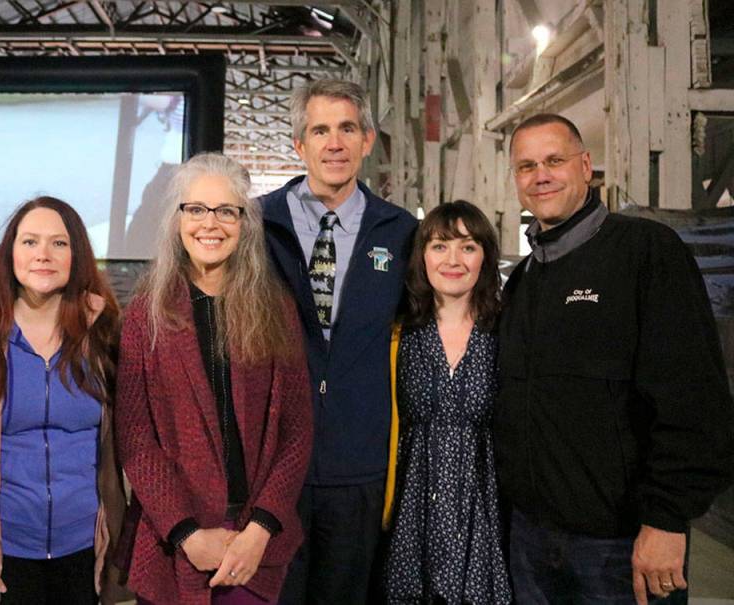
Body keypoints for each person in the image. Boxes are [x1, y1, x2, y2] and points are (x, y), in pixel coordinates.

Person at [495, 113, 734, 604]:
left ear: (586, 166)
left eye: (554, 160)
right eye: (526, 166)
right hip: (532, 543)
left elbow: (694, 398)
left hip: (620, 545)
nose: (541, 176)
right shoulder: (522, 281)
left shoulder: (646, 252)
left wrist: (667, 519)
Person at [115, 153, 313, 604]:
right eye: (197, 209)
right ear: (177, 219)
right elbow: (135, 437)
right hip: (174, 542)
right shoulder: (146, 314)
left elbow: (297, 430)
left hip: (255, 542)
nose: (211, 223)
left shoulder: (275, 309)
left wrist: (260, 528)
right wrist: (186, 533)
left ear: (244, 224)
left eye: (226, 211)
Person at [258, 78, 417, 604]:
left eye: (347, 129)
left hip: (359, 467)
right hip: (273, 467)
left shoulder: (399, 232)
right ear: (299, 145)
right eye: (320, 130)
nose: (334, 143)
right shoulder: (256, 225)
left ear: (367, 140)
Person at [0, 197, 126, 605]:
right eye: (30, 241)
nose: (43, 255)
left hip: (86, 551)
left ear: (77, 256)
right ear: (9, 254)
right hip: (1, 553)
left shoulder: (104, 333)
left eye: (59, 243)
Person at [381, 201, 510, 604]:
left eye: (467, 247)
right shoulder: (398, 332)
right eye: (440, 246)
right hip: (412, 509)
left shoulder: (506, 331)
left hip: (486, 510)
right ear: (422, 256)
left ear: (485, 257)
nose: (453, 260)